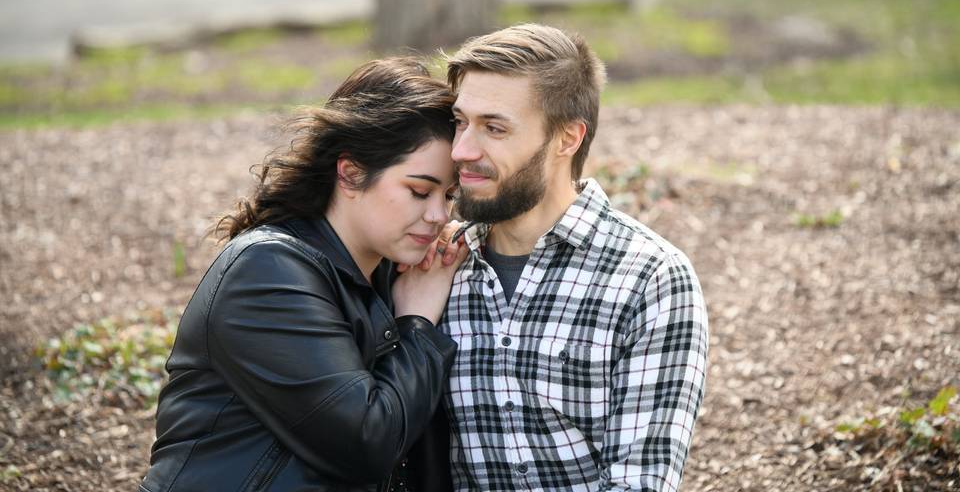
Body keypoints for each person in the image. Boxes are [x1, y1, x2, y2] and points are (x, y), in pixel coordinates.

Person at [141, 58, 467, 492]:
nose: (437, 215)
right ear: (351, 174)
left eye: (449, 195)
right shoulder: (267, 273)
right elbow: (366, 443)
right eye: (419, 191)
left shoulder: (391, 275)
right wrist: (418, 324)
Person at [438, 24, 709, 492]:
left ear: (567, 139)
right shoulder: (437, 265)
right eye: (460, 122)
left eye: (494, 128)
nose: (461, 150)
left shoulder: (650, 278)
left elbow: (637, 482)